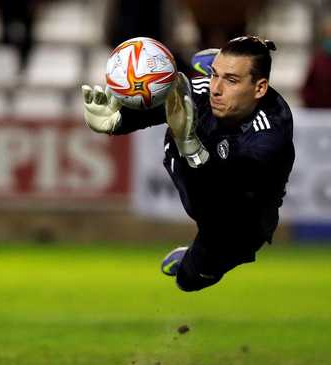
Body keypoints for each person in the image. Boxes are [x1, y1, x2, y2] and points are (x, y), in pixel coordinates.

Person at [81, 36, 295, 292]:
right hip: (191, 167)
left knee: (189, 280)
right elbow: (167, 102)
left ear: (260, 88)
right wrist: (117, 122)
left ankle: (192, 259)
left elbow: (224, 189)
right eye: (215, 75)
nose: (216, 88)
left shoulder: (270, 136)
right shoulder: (208, 90)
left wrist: (191, 145)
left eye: (231, 80)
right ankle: (207, 66)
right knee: (183, 102)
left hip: (241, 217)